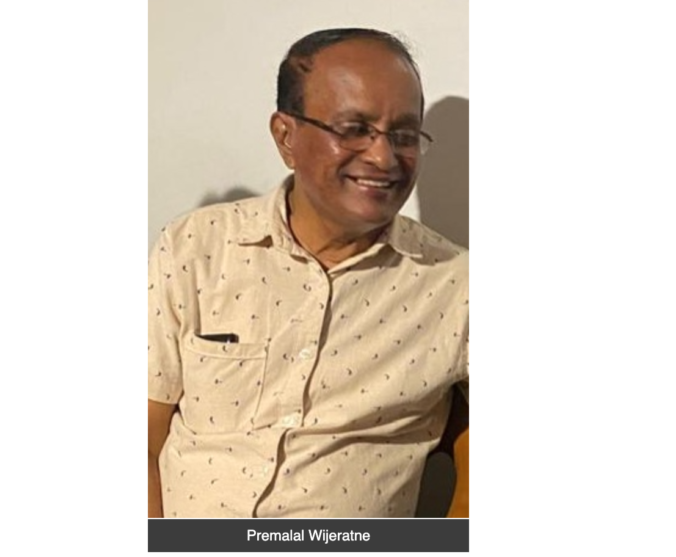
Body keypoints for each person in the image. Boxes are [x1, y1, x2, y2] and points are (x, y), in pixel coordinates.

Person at [148, 27, 469, 518]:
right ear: (286, 136)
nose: (383, 157)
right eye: (354, 129)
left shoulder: (455, 285)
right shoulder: (197, 247)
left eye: (404, 135)